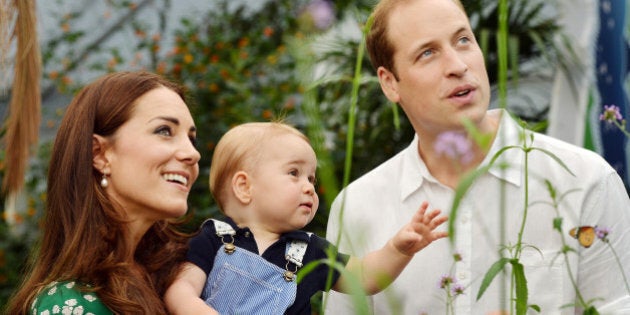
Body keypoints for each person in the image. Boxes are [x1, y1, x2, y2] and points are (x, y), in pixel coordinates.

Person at [325, 0, 630, 314]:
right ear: (389, 82)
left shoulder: (586, 181)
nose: (457, 65)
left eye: (462, 41)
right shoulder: (357, 207)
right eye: (427, 52)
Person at [163, 122, 448, 315]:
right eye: (294, 173)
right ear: (244, 187)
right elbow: (181, 289)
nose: (309, 186)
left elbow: (364, 277)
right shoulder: (215, 237)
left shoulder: (309, 250)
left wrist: (398, 250)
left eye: (311, 177)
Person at [5, 71, 201, 314]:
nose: (193, 154)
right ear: (99, 154)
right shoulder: (70, 304)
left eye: (192, 139)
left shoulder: (188, 277)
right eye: (164, 131)